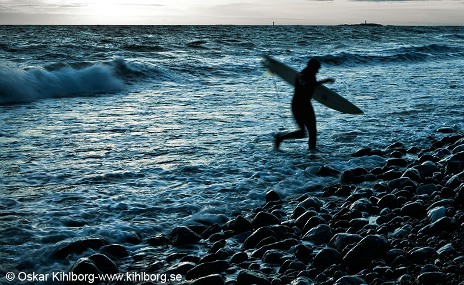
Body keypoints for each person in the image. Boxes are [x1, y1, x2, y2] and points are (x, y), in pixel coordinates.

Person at [274, 58, 335, 151]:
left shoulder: (311, 74)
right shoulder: (302, 75)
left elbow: (311, 85)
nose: (318, 71)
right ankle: (280, 139)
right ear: (311, 67)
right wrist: (324, 81)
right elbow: (307, 85)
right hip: (299, 105)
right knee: (305, 132)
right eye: (317, 68)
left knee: (310, 133)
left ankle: (311, 152)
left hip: (306, 104)